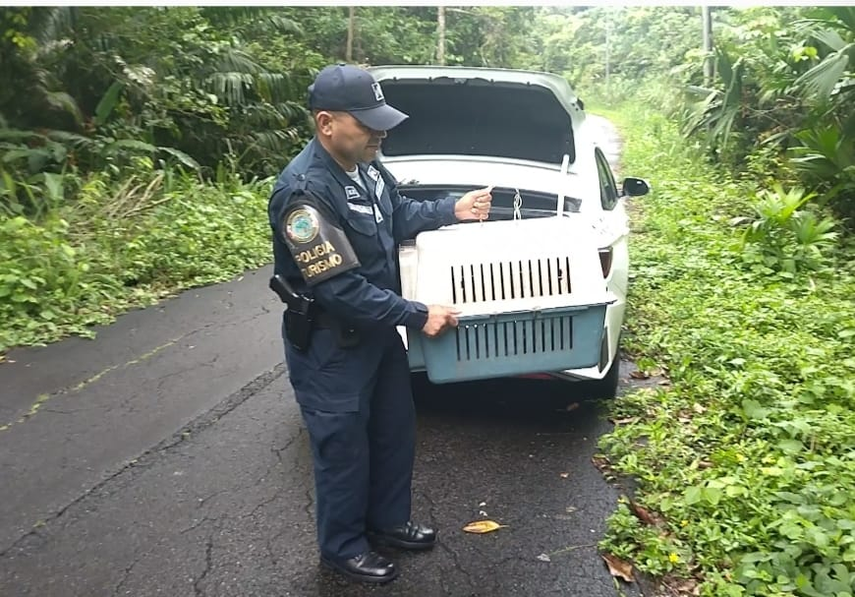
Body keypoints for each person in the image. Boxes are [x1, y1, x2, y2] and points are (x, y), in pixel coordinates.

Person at [267, 63, 492, 584]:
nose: (380, 132)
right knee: (342, 449)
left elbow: (397, 216)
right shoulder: (302, 194)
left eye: (381, 121)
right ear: (326, 123)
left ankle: (387, 523)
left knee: (392, 432)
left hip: (377, 335)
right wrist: (418, 315)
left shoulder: (367, 167)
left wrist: (450, 209)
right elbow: (339, 289)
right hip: (330, 345)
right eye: (368, 123)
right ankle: (342, 546)